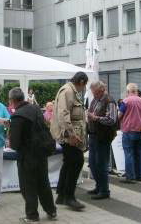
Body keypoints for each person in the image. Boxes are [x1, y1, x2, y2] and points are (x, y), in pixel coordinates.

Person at [9, 87, 57, 223]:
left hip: (27, 156)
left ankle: (32, 215)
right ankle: (51, 211)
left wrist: (10, 135)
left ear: (12, 100)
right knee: (43, 183)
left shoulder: (18, 115)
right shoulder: (35, 109)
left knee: (28, 186)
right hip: (41, 153)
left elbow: (15, 144)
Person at [50, 71, 88, 211]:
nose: (83, 89)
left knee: (69, 162)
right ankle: (69, 197)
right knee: (77, 161)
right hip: (69, 135)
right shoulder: (68, 91)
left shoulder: (70, 90)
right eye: (84, 86)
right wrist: (70, 134)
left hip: (70, 134)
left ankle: (61, 195)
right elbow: (63, 114)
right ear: (82, 82)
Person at [86, 81, 117, 200]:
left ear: (102, 90)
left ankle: (104, 190)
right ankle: (98, 186)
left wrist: (96, 118)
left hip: (103, 137)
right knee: (93, 163)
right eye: (93, 93)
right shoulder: (95, 100)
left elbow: (112, 119)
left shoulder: (109, 101)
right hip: (93, 135)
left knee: (101, 164)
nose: (93, 95)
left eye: (95, 93)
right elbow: (91, 112)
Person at [118, 83, 141, 183]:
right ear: (136, 91)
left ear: (128, 92)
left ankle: (130, 177)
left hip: (129, 130)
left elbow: (119, 115)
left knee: (129, 153)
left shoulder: (125, 101)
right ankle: (140, 175)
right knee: (139, 153)